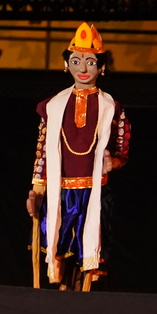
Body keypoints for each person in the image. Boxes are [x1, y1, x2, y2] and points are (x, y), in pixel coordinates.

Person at [26, 22, 130, 290]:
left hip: (94, 192)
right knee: (58, 250)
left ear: (101, 67)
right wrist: (36, 189)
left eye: (90, 62)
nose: (83, 68)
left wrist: (113, 162)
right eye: (75, 61)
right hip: (59, 192)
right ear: (66, 65)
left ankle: (80, 297)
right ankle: (59, 295)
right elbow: (42, 150)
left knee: (88, 253)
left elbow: (122, 149)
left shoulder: (111, 107)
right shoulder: (52, 105)